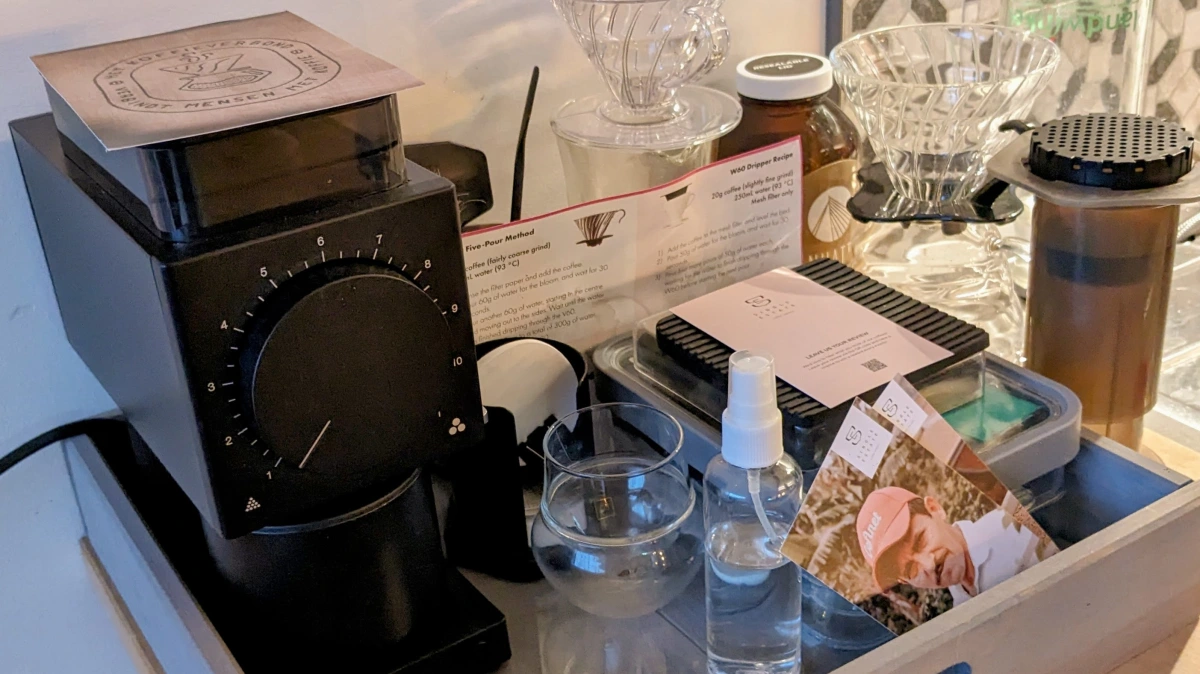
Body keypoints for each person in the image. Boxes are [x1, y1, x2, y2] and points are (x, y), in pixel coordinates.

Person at [854, 486, 1054, 606]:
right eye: (910, 569)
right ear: (905, 582)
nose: (929, 565)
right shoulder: (960, 603)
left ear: (935, 509)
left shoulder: (1016, 532)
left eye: (920, 540)